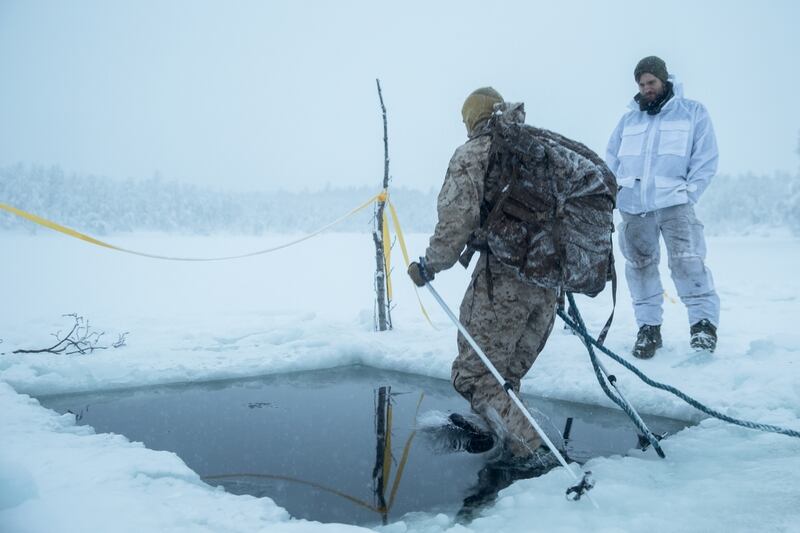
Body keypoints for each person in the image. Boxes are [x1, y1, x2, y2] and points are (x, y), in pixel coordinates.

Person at [407, 87, 558, 462]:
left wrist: (431, 264)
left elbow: (457, 218)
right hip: (549, 281)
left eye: (465, 120)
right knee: (505, 376)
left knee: (476, 377)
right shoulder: (539, 150)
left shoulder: (474, 153)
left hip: (504, 283)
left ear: (474, 118)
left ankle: (536, 459)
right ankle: (508, 443)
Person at [606, 56, 720, 359]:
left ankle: (703, 326)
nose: (647, 89)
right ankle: (648, 330)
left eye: (651, 83)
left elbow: (706, 158)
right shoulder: (629, 121)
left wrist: (689, 192)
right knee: (640, 269)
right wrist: (614, 193)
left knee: (688, 263)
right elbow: (610, 159)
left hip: (675, 204)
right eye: (642, 84)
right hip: (634, 207)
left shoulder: (692, 113)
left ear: (664, 79)